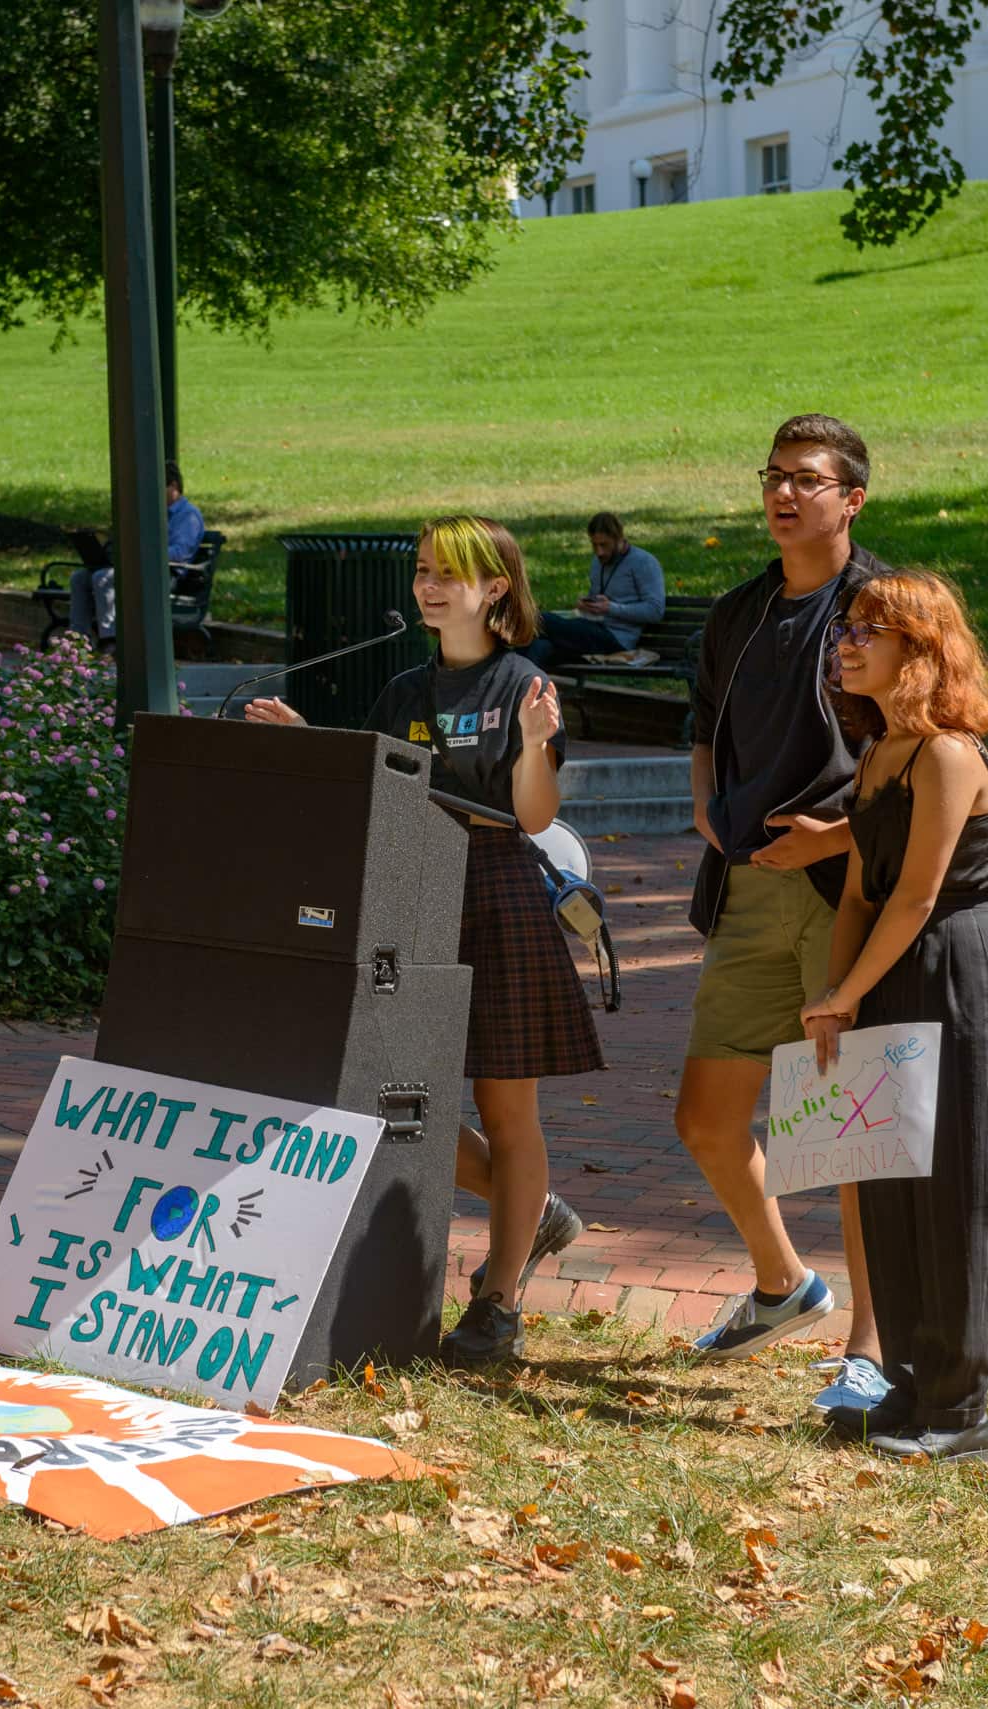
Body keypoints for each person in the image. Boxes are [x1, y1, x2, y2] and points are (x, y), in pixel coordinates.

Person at [246, 516, 600, 1365]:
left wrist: (537, 746)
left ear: (497, 589)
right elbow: (380, 795)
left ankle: (500, 1296)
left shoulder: (523, 685)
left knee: (505, 1110)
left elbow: (532, 817)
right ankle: (535, 1210)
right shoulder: (403, 689)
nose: (431, 586)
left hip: (497, 891)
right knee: (392, 1095)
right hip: (411, 896)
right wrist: (310, 748)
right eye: (423, 571)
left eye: (452, 573)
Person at [676, 414, 887, 1418]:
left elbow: (938, 758)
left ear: (852, 498)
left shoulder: (884, 608)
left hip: (844, 890)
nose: (782, 493)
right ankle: (781, 1283)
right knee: (706, 1119)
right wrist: (703, 808)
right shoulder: (738, 612)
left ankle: (868, 1352)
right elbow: (700, 724)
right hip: (750, 885)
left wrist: (835, 836)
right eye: (772, 475)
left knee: (843, 1134)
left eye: (806, 479)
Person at [804, 570, 988, 1463]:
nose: (847, 643)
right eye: (847, 629)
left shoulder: (947, 754)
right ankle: (905, 1383)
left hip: (956, 974)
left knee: (953, 1194)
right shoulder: (878, 755)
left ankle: (959, 1408)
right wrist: (832, 997)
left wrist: (852, 990)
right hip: (886, 976)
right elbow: (860, 893)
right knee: (887, 1183)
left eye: (870, 631)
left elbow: (918, 895)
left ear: (921, 651)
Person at [69, 462, 204, 642]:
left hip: (164, 575)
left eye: (157, 488)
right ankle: (77, 642)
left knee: (103, 578)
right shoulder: (153, 511)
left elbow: (179, 553)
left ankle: (112, 642)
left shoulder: (188, 516)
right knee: (80, 577)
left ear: (173, 486)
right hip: (139, 568)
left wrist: (143, 554)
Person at [523, 512, 666, 669]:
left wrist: (610, 608)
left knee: (542, 620)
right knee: (539, 646)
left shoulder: (644, 562)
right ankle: (516, 689)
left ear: (619, 539)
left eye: (604, 545)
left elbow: (655, 610)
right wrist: (587, 606)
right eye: (594, 545)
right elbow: (598, 601)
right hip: (593, 629)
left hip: (616, 639)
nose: (599, 552)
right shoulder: (598, 563)